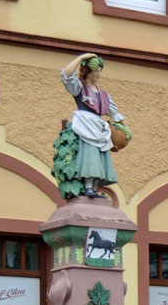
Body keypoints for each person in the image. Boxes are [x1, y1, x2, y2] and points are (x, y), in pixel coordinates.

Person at [52, 53, 130, 200]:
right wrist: (81, 58)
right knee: (89, 155)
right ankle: (87, 187)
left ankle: (94, 188)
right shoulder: (80, 87)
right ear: (88, 71)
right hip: (85, 125)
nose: (99, 74)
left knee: (99, 157)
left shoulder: (104, 95)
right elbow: (67, 75)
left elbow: (114, 113)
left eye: (100, 71)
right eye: (96, 71)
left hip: (99, 127)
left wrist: (125, 130)